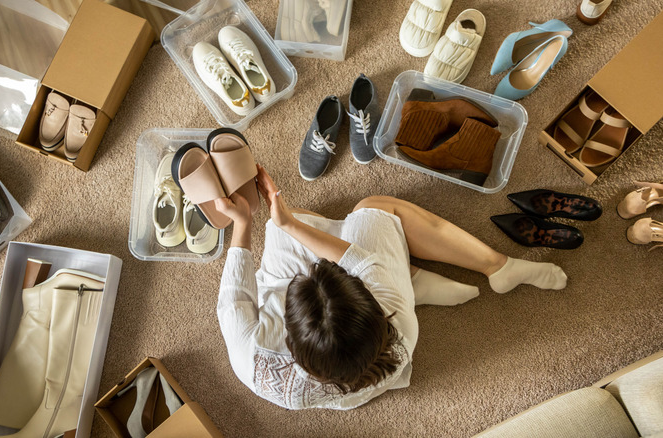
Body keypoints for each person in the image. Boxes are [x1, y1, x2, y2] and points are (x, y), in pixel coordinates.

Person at [215, 165, 567, 410]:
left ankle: (415, 280)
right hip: (387, 340)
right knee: (373, 208)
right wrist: (289, 224)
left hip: (352, 382)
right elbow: (358, 260)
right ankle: (496, 267)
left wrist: (243, 223)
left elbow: (236, 295)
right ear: (374, 308)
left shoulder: (252, 360)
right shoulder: (393, 319)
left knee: (289, 225)